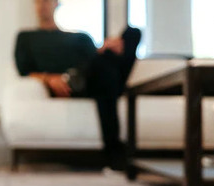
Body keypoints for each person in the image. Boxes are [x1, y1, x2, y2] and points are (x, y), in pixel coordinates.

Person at [15, 0, 141, 170]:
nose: (42, 5)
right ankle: (115, 152)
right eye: (38, 1)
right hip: (71, 86)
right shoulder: (26, 37)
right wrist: (49, 79)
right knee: (104, 73)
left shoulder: (80, 37)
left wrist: (106, 48)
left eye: (46, 1)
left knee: (132, 33)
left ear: (56, 3)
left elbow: (93, 59)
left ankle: (80, 76)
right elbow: (24, 71)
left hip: (94, 77)